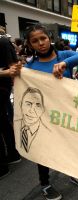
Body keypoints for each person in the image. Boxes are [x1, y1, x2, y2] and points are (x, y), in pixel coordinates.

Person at [24, 24, 78, 200]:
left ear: (49, 38)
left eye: (43, 38)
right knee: (44, 152)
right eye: (35, 41)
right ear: (30, 45)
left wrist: (64, 63)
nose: (41, 43)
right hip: (45, 118)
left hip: (68, 116)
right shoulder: (30, 66)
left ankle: (73, 173)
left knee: (72, 146)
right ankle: (45, 184)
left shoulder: (64, 55)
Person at [0, 36, 22, 179]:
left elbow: (15, 66)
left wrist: (6, 73)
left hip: (2, 87)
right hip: (4, 86)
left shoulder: (2, 42)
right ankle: (12, 154)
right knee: (3, 121)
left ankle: (2, 166)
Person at [15, 87, 49, 153]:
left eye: (38, 105)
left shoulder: (48, 133)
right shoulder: (14, 126)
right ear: (20, 105)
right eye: (28, 104)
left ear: (43, 109)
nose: (32, 110)